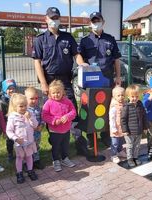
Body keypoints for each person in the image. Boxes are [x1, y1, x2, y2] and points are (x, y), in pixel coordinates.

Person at [32, 6, 88, 155]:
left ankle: (80, 147)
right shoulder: (40, 39)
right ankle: (56, 150)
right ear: (46, 19)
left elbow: (76, 55)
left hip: (65, 81)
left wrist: (83, 64)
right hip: (49, 81)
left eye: (56, 18)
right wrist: (43, 83)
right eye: (51, 18)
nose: (54, 20)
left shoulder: (68, 37)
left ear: (60, 19)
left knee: (72, 113)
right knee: (52, 115)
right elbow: (37, 62)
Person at [79, 11, 122, 147]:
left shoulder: (110, 39)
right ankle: (92, 139)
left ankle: (105, 135)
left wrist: (118, 77)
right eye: (93, 21)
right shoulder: (85, 41)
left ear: (103, 22)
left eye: (98, 21)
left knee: (106, 108)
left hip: (107, 79)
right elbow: (78, 56)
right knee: (91, 109)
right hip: (90, 80)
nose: (96, 23)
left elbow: (116, 59)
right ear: (90, 23)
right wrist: (81, 64)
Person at [42, 80, 77, 172]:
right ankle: (56, 160)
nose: (56, 95)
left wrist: (68, 116)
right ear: (50, 93)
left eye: (58, 92)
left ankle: (65, 158)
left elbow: (73, 112)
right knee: (56, 146)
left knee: (65, 145)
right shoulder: (48, 103)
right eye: (53, 93)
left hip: (66, 129)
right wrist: (54, 121)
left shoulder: (67, 101)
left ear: (63, 92)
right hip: (54, 131)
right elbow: (44, 115)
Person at [6, 93, 39, 184]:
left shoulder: (30, 113)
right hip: (19, 143)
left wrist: (30, 118)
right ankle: (19, 173)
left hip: (29, 142)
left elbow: (35, 125)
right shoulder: (12, 118)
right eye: (21, 106)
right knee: (19, 158)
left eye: (25, 105)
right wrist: (15, 138)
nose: (24, 108)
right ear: (15, 107)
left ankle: (30, 170)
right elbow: (9, 131)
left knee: (29, 156)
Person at [121, 84, 148, 167]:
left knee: (137, 145)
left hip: (139, 130)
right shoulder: (126, 107)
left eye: (136, 96)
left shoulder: (140, 105)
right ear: (128, 97)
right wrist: (125, 130)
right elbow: (123, 119)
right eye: (132, 96)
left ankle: (135, 157)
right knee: (130, 146)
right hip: (129, 131)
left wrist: (145, 127)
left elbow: (143, 116)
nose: (135, 98)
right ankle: (129, 158)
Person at [25, 87, 45, 169]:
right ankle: (26, 162)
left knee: (36, 147)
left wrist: (41, 125)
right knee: (27, 148)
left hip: (37, 133)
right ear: (25, 98)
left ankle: (36, 160)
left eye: (36, 98)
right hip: (28, 134)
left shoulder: (39, 108)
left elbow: (42, 118)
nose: (34, 100)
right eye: (31, 98)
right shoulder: (24, 109)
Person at [0, 78, 17, 162]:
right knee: (10, 140)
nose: (11, 90)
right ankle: (10, 154)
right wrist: (4, 128)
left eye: (13, 88)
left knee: (18, 137)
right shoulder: (2, 102)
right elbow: (1, 116)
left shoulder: (17, 98)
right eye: (9, 88)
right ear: (4, 90)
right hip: (8, 124)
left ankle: (19, 152)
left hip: (17, 123)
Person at [109, 86, 127, 163]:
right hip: (115, 128)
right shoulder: (114, 107)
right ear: (114, 96)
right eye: (118, 95)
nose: (121, 97)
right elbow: (112, 118)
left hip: (122, 127)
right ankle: (113, 155)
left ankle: (120, 151)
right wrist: (113, 128)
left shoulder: (124, 104)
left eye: (122, 95)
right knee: (115, 142)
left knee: (121, 141)